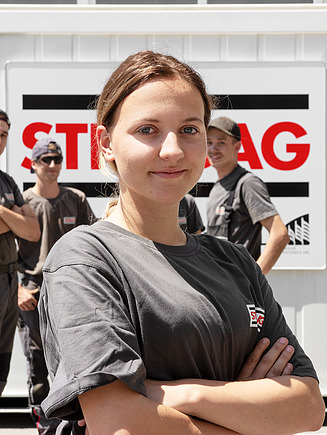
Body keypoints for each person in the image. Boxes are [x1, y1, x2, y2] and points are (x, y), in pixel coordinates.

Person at [38, 51, 324, 434]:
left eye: (189, 129)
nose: (172, 150)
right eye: (147, 130)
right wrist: (248, 411)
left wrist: (182, 395)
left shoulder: (237, 263)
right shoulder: (87, 259)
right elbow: (120, 425)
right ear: (105, 144)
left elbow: (306, 407)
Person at [17, 137, 96, 434]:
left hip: (69, 293)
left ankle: (76, 426)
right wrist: (17, 291)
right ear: (34, 165)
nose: (53, 165)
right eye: (45, 160)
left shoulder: (76, 198)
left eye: (57, 160)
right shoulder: (23, 203)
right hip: (32, 296)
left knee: (76, 362)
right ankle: (47, 430)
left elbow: (93, 242)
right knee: (37, 369)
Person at [206, 116, 290, 275]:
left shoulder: (247, 184)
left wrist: (255, 280)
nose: (213, 148)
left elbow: (280, 234)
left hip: (240, 289)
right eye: (209, 142)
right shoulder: (217, 188)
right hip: (220, 285)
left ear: (237, 147)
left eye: (221, 143)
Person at [0, 109, 40, 396]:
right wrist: (15, 218)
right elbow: (22, 225)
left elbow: (32, 230)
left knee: (1, 369)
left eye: (3, 135)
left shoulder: (7, 181)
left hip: (9, 279)